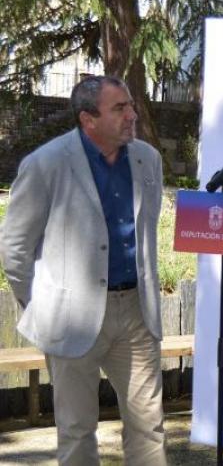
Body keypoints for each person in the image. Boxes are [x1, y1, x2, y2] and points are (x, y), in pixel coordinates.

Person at [0, 75, 166, 465]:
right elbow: (15, 248)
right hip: (71, 318)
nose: (132, 114)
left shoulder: (148, 159)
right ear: (88, 119)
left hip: (137, 313)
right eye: (119, 108)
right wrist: (41, 303)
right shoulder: (45, 164)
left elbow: (148, 230)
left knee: (149, 428)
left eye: (130, 105)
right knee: (76, 431)